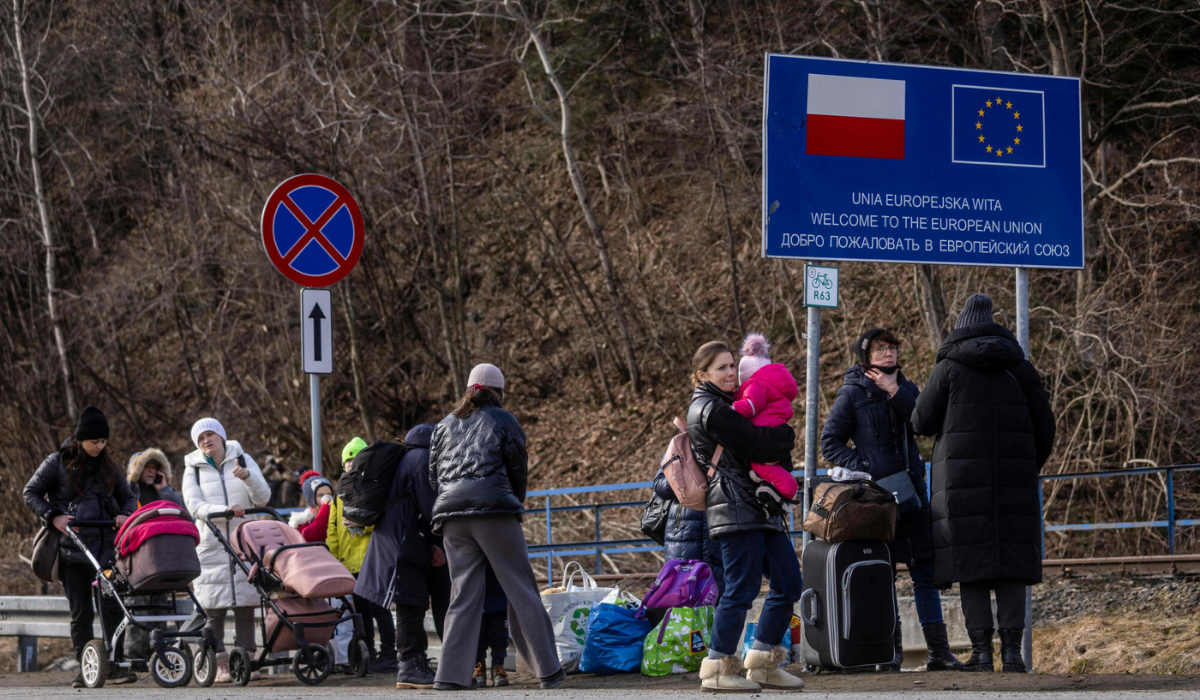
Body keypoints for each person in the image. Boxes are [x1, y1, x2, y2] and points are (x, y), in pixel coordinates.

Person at [911, 294, 1055, 673]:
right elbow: (1046, 427)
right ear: (995, 325)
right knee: (1010, 563)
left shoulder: (950, 367)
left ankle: (980, 653)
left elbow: (921, 421)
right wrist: (1026, 465)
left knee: (969, 562)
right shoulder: (1021, 368)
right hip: (1015, 480)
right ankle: (1012, 654)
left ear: (960, 326)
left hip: (960, 484)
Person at [820, 328, 965, 672]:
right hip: (877, 498)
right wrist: (866, 468)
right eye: (880, 349)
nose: (888, 353)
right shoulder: (852, 392)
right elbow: (830, 442)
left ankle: (939, 653)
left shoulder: (906, 385)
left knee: (924, 572)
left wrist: (894, 390)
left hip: (913, 492)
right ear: (866, 356)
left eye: (892, 347)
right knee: (884, 573)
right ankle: (892, 652)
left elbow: (923, 423)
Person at [428, 363, 564, 691]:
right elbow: (518, 468)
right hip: (494, 512)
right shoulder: (503, 419)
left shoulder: (444, 424)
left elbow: (433, 475)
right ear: (498, 391)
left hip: (451, 517)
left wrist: (453, 501)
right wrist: (513, 503)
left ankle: (449, 677)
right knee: (520, 588)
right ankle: (548, 671)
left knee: (461, 595)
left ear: (470, 388)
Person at [688, 342, 804, 693]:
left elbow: (763, 440)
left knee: (789, 584)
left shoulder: (729, 404)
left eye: (731, 366)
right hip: (734, 508)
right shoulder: (709, 409)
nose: (729, 373)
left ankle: (763, 663)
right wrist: (785, 434)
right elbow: (757, 444)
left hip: (757, 507)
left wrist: (780, 437)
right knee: (741, 588)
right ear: (701, 375)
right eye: (720, 368)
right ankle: (718, 668)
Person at [23, 406, 138, 688]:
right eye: (94, 441)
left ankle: (114, 664)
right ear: (80, 439)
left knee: (113, 607)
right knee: (81, 612)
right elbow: (30, 493)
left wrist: (124, 513)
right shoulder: (56, 463)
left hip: (107, 551)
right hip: (71, 550)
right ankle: (86, 667)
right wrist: (52, 516)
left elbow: (127, 496)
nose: (99, 446)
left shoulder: (109, 466)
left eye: (103, 441)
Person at [355, 423, 451, 690]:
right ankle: (409, 667)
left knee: (414, 604)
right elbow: (433, 509)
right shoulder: (420, 460)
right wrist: (443, 540)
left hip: (405, 542)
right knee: (410, 605)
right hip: (401, 545)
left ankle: (415, 664)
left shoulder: (409, 458)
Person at [181, 417, 271, 683]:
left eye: (210, 435)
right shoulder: (192, 467)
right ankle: (218, 663)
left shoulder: (241, 457)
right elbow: (194, 505)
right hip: (210, 544)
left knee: (246, 604)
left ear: (221, 436)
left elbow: (263, 498)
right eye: (200, 439)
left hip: (243, 541)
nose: (206, 441)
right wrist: (224, 510)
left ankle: (247, 660)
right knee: (213, 607)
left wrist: (248, 478)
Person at [329, 437, 397, 673]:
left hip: (374, 561)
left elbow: (383, 523)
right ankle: (368, 653)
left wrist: (362, 524)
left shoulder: (375, 490)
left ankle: (390, 654)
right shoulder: (338, 497)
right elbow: (332, 533)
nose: (350, 465)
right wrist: (334, 562)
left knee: (380, 610)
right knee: (361, 614)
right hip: (349, 564)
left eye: (355, 459)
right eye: (347, 460)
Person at [124, 449, 186, 663]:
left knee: (160, 607)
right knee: (138, 607)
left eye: (155, 468)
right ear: (137, 469)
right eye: (147, 467)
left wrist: (165, 489)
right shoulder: (128, 493)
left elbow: (182, 512)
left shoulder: (164, 492)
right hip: (136, 559)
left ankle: (157, 653)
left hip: (161, 559)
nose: (151, 471)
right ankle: (135, 656)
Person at [732, 332, 800, 504]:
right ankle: (777, 486)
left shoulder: (756, 384)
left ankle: (787, 489)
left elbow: (751, 405)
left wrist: (732, 408)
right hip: (775, 429)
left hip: (765, 432)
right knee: (769, 465)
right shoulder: (772, 385)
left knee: (759, 464)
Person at [473, 565, 510, 688]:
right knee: (477, 637)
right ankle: (479, 669)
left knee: (500, 636)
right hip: (477, 594)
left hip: (500, 594)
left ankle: (498, 668)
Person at [288, 469, 333, 542]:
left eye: (329, 494)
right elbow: (311, 536)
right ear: (312, 499)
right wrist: (325, 508)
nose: (326, 497)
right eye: (320, 495)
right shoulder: (304, 521)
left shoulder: (336, 513)